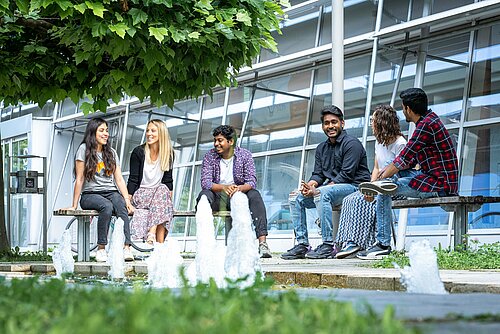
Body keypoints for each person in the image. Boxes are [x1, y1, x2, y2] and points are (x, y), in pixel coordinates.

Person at [357, 88, 459, 259]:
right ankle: (381, 241)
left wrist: (376, 184)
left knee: (384, 189)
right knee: (387, 184)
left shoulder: (426, 126)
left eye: (403, 108)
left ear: (409, 109)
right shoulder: (428, 121)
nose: (402, 111)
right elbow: (409, 161)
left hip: (439, 184)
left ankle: (382, 244)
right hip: (434, 179)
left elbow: (402, 159)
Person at [281, 105, 371, 260]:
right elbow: (318, 174)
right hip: (335, 190)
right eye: (326, 123)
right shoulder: (321, 148)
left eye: (334, 122)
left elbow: (346, 175)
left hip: (355, 187)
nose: (330, 126)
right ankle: (302, 244)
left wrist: (318, 190)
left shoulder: (352, 144)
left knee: (322, 193)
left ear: (342, 123)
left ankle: (328, 245)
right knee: (295, 197)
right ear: (323, 126)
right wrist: (309, 186)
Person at [335, 105, 408, 259]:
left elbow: (400, 170)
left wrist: (374, 189)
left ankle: (359, 242)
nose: (371, 124)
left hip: (395, 187)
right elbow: (376, 167)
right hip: (379, 185)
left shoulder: (400, 143)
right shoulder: (379, 142)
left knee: (365, 199)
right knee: (351, 199)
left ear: (382, 122)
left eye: (373, 121)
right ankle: (348, 241)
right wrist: (370, 187)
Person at [196, 125, 272, 258]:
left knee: (255, 195)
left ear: (230, 141)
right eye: (215, 140)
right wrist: (224, 187)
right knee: (204, 195)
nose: (216, 144)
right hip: (218, 196)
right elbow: (206, 182)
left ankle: (262, 244)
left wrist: (238, 188)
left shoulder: (244, 155)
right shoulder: (210, 156)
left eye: (220, 140)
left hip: (239, 195)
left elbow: (251, 181)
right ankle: (204, 244)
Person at [66, 118, 134, 262]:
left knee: (121, 205)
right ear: (93, 133)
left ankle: (127, 247)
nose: (106, 134)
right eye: (101, 130)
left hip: (110, 191)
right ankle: (101, 249)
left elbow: (119, 179)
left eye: (107, 130)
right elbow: (79, 179)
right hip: (90, 195)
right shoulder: (84, 150)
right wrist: (74, 204)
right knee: (107, 207)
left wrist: (127, 200)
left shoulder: (111, 153)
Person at [127, 119, 175, 244]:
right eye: (148, 130)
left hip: (158, 197)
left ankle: (157, 244)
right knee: (162, 194)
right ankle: (153, 235)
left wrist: (168, 204)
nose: (149, 134)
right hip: (141, 195)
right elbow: (132, 180)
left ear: (161, 133)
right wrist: (127, 202)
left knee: (163, 193)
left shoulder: (168, 154)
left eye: (153, 131)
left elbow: (168, 182)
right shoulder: (138, 152)